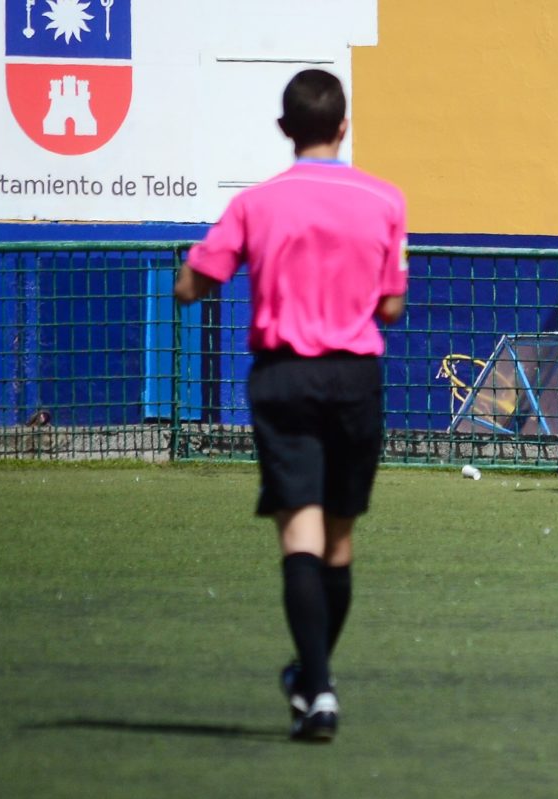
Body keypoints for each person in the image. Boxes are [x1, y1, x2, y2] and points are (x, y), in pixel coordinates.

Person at [173, 69, 408, 742]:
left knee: (298, 536)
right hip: (355, 377)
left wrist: (198, 273)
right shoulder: (385, 200)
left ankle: (318, 687)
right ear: (343, 125)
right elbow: (392, 305)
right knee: (339, 541)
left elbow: (192, 284)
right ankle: (313, 679)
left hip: (284, 377)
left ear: (284, 128)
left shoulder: (255, 203)